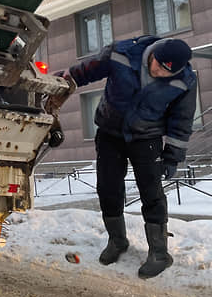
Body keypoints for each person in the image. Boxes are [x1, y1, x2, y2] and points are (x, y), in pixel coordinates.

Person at [58, 36, 197, 278]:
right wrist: (64, 78)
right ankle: (117, 240)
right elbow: (88, 70)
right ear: (153, 54)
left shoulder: (185, 81)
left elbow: (182, 120)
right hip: (110, 133)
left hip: (147, 137)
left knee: (151, 192)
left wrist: (173, 157)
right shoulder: (122, 54)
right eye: (158, 66)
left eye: (166, 73)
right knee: (108, 188)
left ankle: (159, 253)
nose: (159, 73)